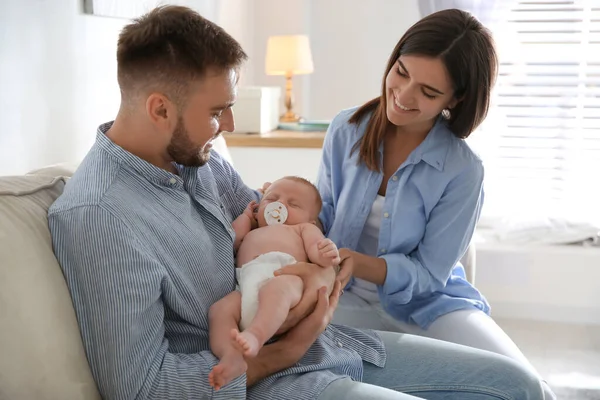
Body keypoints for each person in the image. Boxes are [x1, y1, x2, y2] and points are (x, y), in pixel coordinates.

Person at [47, 5, 546, 399]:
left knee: (518, 386)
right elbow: (141, 389)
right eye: (218, 111)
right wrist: (283, 353)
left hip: (323, 339)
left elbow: (278, 225)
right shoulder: (99, 217)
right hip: (276, 379)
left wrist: (315, 277)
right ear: (160, 109)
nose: (230, 128)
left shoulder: (197, 160)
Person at [313, 7, 556, 399]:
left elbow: (430, 274)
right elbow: (322, 213)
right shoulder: (346, 130)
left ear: (456, 98)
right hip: (343, 295)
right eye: (402, 72)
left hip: (429, 305)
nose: (403, 96)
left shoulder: (463, 170)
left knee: (528, 388)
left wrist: (364, 264)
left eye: (428, 92)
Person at [208, 176, 340, 390]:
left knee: (275, 290)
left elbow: (317, 251)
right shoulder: (253, 230)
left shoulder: (303, 228)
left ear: (311, 220)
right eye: (272, 199)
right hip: (246, 286)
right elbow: (231, 240)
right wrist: (245, 218)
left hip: (286, 278)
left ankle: (255, 335)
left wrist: (326, 253)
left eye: (294, 204)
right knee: (219, 310)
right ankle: (231, 356)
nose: (280, 205)